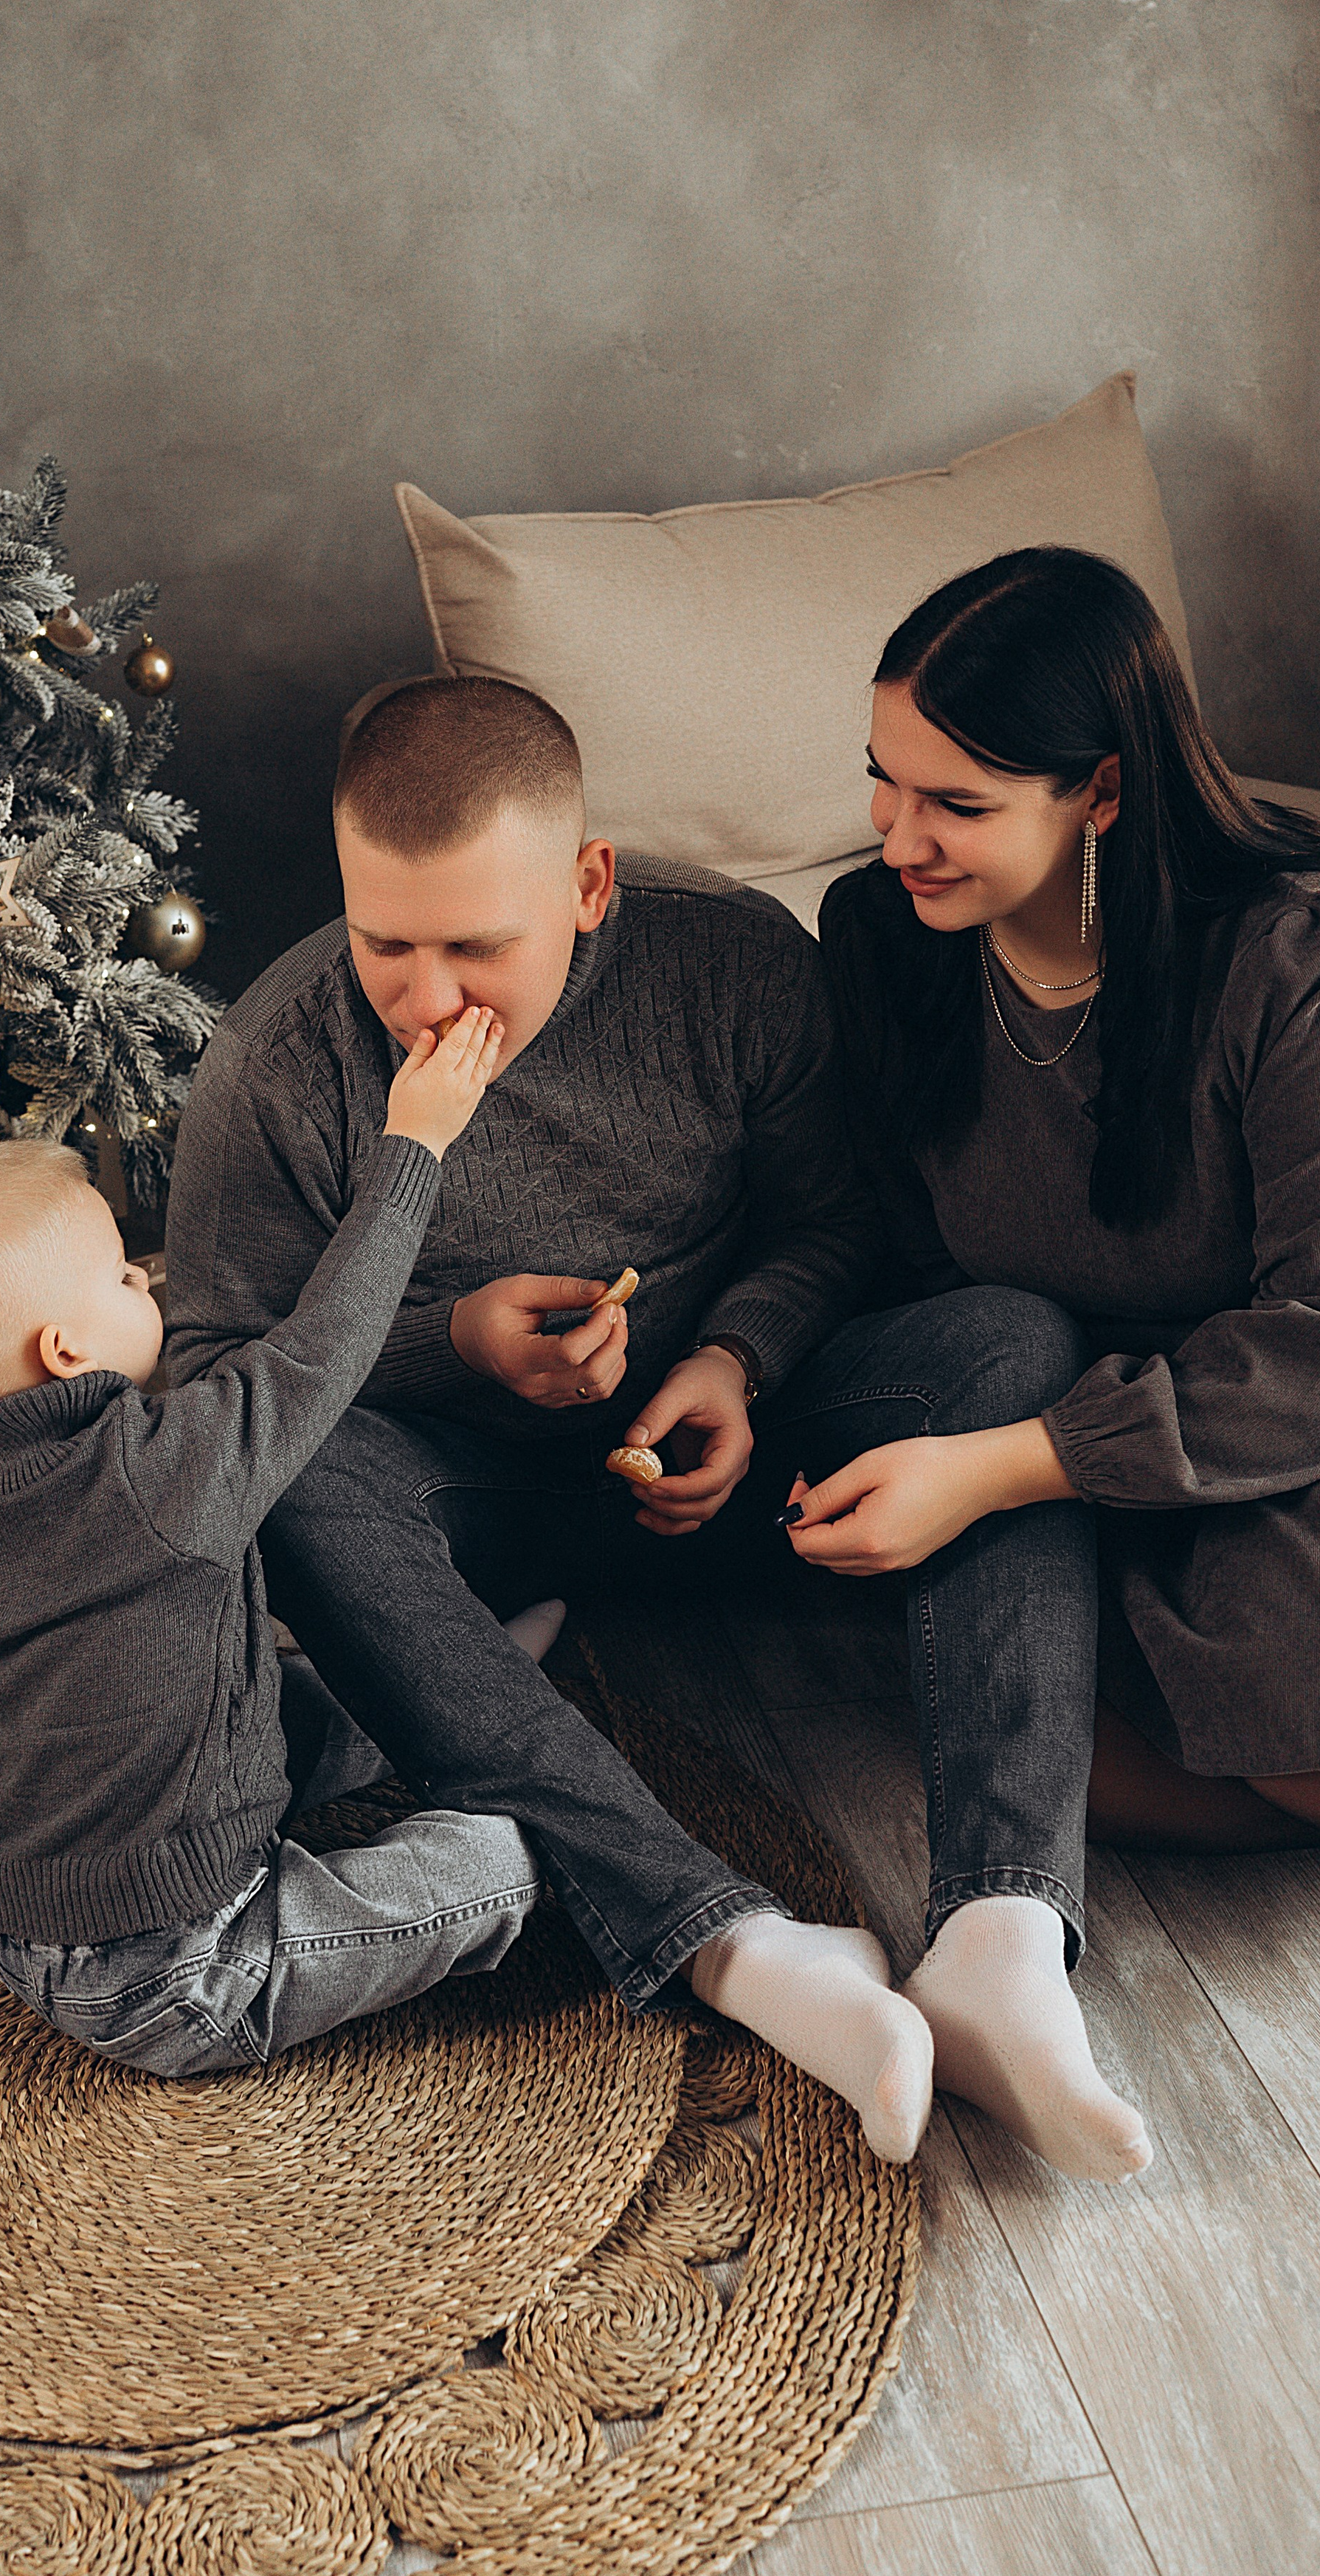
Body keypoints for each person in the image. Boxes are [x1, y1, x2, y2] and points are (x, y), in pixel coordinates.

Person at [165, 672, 1147, 2182]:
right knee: (295, 1484)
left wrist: (738, 1361)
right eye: (387, 943)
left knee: (1009, 1344)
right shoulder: (279, 1064)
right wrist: (449, 1341)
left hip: (745, 1473)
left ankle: (1000, 1930)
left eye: (479, 944)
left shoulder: (728, 967)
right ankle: (735, 1943)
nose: (427, 999)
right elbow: (213, 1371)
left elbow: (836, 1222)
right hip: (470, 1510)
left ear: (587, 881)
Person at [808, 543, 1320, 1870]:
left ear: (1102, 792)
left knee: (1309, 1674)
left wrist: (1001, 1465)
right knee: (1083, 1744)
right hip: (1132, 1384)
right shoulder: (884, 939)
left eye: (958, 803)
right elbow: (911, 1258)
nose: (899, 839)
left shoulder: (1312, 961)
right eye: (882, 781)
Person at [0, 1006, 561, 2078]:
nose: (148, 1280)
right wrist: (417, 1146)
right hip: (183, 1967)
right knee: (508, 1860)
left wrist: (56, 1824)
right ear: (65, 1348)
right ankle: (449, 1792)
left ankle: (474, 1683)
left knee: (285, 1692)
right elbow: (323, 1349)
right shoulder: (167, 1467)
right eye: (125, 1273)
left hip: (15, 1933)